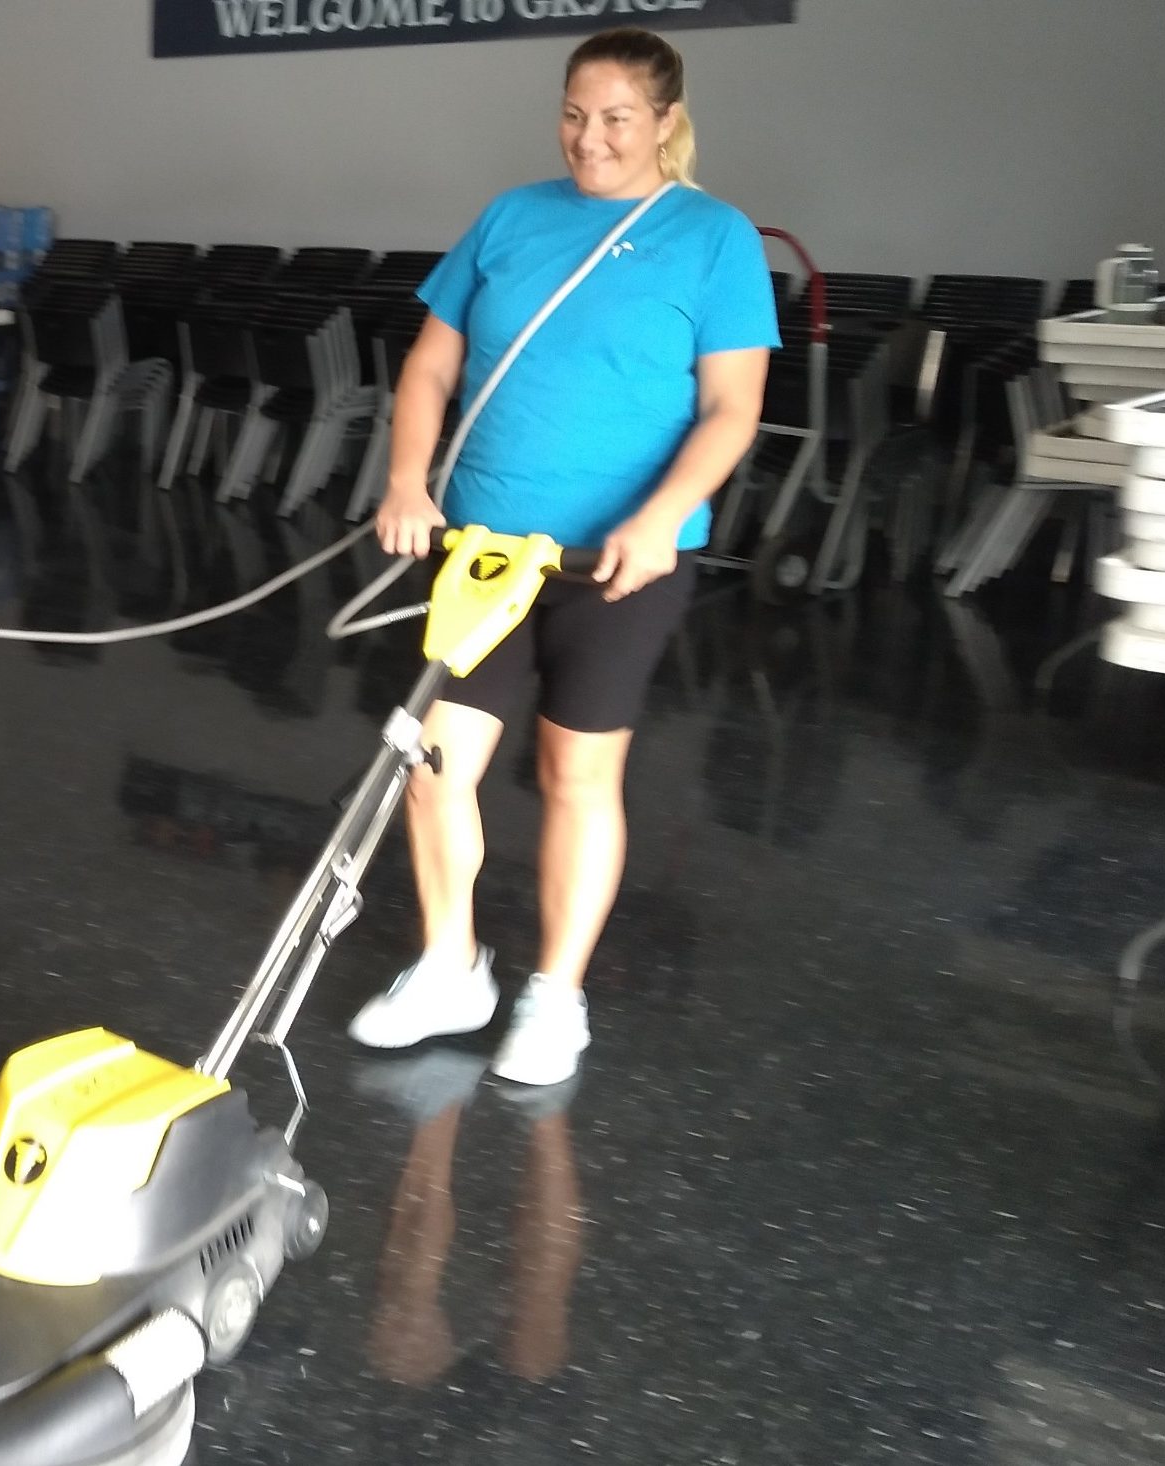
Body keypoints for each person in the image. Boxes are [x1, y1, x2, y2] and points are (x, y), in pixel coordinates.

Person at [348, 28, 778, 1086]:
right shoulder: (510, 217)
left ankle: (555, 995)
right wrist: (406, 481)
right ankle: (450, 969)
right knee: (431, 763)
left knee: (575, 772)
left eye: (617, 118)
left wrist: (663, 515)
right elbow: (428, 367)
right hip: (483, 547)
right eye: (575, 115)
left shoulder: (713, 238)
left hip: (619, 561)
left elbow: (732, 408)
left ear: (666, 120)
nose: (590, 139)